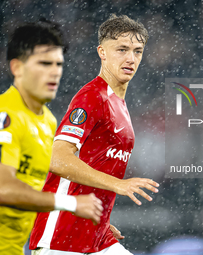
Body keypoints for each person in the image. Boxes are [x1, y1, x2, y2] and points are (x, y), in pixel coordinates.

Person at [29, 14, 159, 255]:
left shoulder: (119, 103)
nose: (131, 58)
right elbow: (57, 159)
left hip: (95, 236)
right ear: (102, 52)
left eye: (138, 51)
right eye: (122, 49)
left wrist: (102, 220)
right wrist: (118, 185)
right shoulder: (92, 96)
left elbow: (94, 162)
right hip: (62, 238)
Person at [0, 20, 103, 255]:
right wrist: (72, 204)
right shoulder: (4, 114)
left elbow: (36, 194)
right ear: (17, 68)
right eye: (44, 63)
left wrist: (91, 222)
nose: (54, 71)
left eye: (58, 64)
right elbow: (1, 190)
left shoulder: (47, 121)